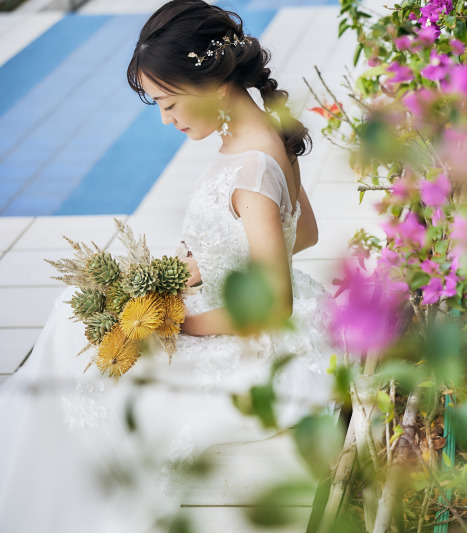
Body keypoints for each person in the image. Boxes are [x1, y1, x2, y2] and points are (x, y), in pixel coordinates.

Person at [0, 1, 336, 530]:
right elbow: (305, 232)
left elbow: (272, 306)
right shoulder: (265, 133)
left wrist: (179, 323)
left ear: (212, 84)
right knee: (74, 319)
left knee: (78, 343)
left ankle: (46, 497)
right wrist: (215, 261)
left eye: (168, 103)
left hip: (249, 332)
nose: (166, 119)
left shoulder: (251, 165)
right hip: (231, 300)